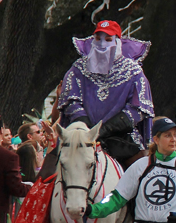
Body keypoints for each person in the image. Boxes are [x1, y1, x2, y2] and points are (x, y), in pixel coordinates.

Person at [58, 20, 154, 166]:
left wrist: (104, 130)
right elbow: (71, 101)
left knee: (142, 171)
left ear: (118, 42)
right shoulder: (78, 69)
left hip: (122, 139)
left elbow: (136, 110)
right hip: (82, 136)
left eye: (108, 39)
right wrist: (88, 128)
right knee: (55, 166)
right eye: (98, 39)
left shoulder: (134, 72)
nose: (102, 44)